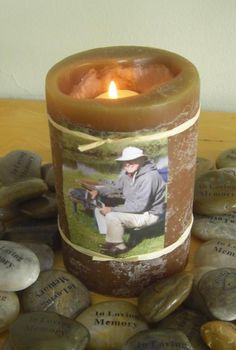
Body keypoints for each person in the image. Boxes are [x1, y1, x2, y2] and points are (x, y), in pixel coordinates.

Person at [90, 146, 166, 256]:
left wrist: (112, 209)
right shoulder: (129, 174)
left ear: (142, 160)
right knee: (99, 209)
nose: (128, 164)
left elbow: (140, 206)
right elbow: (116, 187)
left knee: (112, 215)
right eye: (125, 161)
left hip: (148, 214)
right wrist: (98, 190)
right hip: (135, 208)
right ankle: (111, 241)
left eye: (133, 160)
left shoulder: (149, 177)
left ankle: (120, 247)